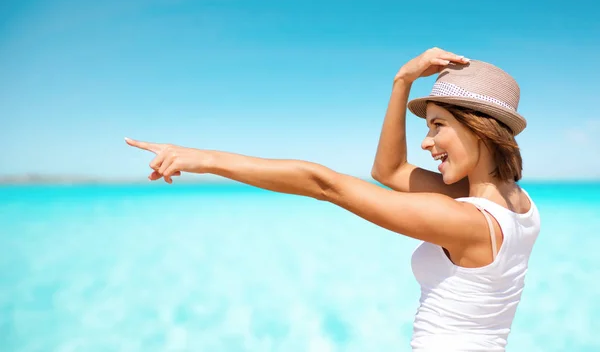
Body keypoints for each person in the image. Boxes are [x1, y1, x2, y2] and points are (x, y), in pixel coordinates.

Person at [125, 47, 541, 351]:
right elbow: (390, 172)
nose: (428, 142)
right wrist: (401, 83)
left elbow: (324, 184)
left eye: (437, 125)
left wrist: (205, 158)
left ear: (479, 128)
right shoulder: (519, 206)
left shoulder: (464, 221)